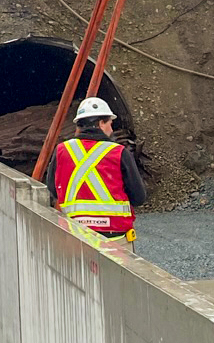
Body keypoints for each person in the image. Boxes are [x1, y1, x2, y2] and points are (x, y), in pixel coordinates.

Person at [53, 95, 147, 240]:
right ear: (101, 123)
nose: (111, 128)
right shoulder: (119, 152)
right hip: (115, 237)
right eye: (110, 123)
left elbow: (53, 190)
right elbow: (138, 197)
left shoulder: (61, 151)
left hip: (75, 235)